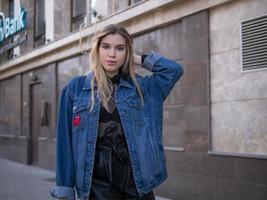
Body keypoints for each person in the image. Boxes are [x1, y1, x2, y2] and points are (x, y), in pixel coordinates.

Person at [50, 24, 183, 200]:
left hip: (136, 184)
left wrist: (134, 58)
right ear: (96, 50)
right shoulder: (75, 89)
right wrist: (65, 189)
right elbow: (65, 143)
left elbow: (173, 71)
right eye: (105, 47)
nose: (112, 54)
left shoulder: (142, 87)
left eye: (119, 48)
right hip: (95, 185)